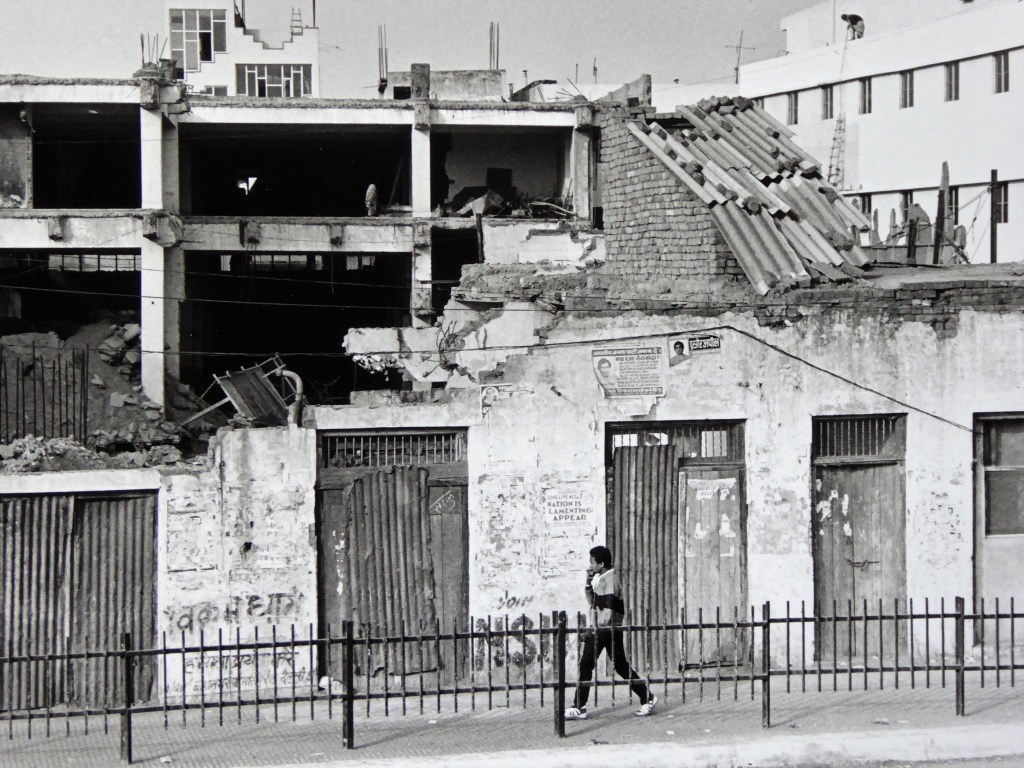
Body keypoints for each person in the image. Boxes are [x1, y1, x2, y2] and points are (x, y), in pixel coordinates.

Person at [565, 545, 657, 720]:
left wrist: (592, 632)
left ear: (601, 564)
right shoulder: (602, 579)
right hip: (605, 629)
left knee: (586, 665)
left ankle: (579, 706)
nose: (590, 566)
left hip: (605, 629)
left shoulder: (610, 581)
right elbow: (593, 602)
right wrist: (588, 584)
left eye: (592, 563)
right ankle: (648, 697)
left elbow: (606, 613)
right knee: (620, 666)